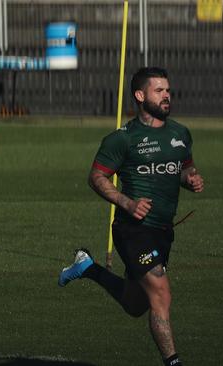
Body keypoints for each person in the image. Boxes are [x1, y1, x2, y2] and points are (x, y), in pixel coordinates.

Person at [58, 67, 204, 366]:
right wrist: (126, 202)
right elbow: (96, 178)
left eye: (167, 90)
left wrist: (190, 179)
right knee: (161, 292)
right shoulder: (122, 139)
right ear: (140, 96)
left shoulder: (180, 133)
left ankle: (88, 267)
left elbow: (184, 167)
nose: (166, 95)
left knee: (136, 304)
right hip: (132, 230)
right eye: (159, 90)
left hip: (163, 230)